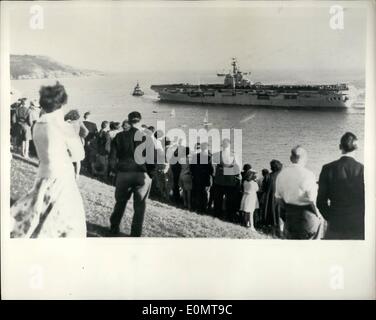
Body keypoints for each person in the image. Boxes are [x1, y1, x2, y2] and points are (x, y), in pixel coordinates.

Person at [10, 82, 87, 238]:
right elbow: (79, 155)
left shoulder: (38, 124)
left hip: (43, 174)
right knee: (66, 220)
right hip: (62, 177)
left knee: (38, 212)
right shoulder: (64, 126)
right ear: (62, 103)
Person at [108, 111, 153, 237]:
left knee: (120, 203)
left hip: (124, 173)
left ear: (128, 120)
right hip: (141, 174)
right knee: (140, 206)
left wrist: (114, 169)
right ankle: (135, 234)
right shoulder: (147, 137)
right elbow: (151, 159)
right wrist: (150, 174)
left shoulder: (120, 136)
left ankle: (114, 228)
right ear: (140, 121)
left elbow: (112, 157)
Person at [316, 132, 364, 239]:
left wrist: (331, 218)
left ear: (340, 147)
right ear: (356, 148)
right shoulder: (363, 169)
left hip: (335, 225)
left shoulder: (327, 168)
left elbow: (320, 202)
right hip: (358, 225)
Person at [275, 146, 322, 239]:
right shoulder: (308, 174)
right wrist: (319, 215)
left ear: (291, 158)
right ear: (305, 159)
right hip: (307, 217)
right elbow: (312, 200)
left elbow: (278, 198)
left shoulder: (282, 174)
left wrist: (287, 213)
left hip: (290, 218)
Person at [212, 138, 241, 222]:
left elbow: (214, 167)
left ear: (222, 145)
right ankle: (229, 216)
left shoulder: (217, 154)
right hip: (230, 180)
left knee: (218, 199)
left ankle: (217, 215)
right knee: (230, 200)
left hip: (219, 179)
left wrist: (221, 170)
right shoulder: (234, 155)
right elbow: (238, 168)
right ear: (230, 145)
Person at [64, 109, 88, 180]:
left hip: (68, 140)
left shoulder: (67, 122)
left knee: (68, 158)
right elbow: (86, 131)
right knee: (77, 159)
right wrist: (82, 136)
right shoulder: (79, 122)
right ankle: (77, 175)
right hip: (77, 140)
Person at [261, 159, 283, 235]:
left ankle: (271, 230)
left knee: (270, 213)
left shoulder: (267, 176)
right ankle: (278, 231)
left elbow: (263, 188)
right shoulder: (282, 176)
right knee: (278, 213)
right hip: (278, 198)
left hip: (269, 198)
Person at [190, 142, 213, 213]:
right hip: (205, 178)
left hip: (196, 177)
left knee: (197, 192)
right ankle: (203, 208)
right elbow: (211, 169)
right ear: (207, 148)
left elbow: (191, 167)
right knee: (205, 194)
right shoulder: (209, 157)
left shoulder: (195, 156)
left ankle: (196, 207)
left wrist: (194, 174)